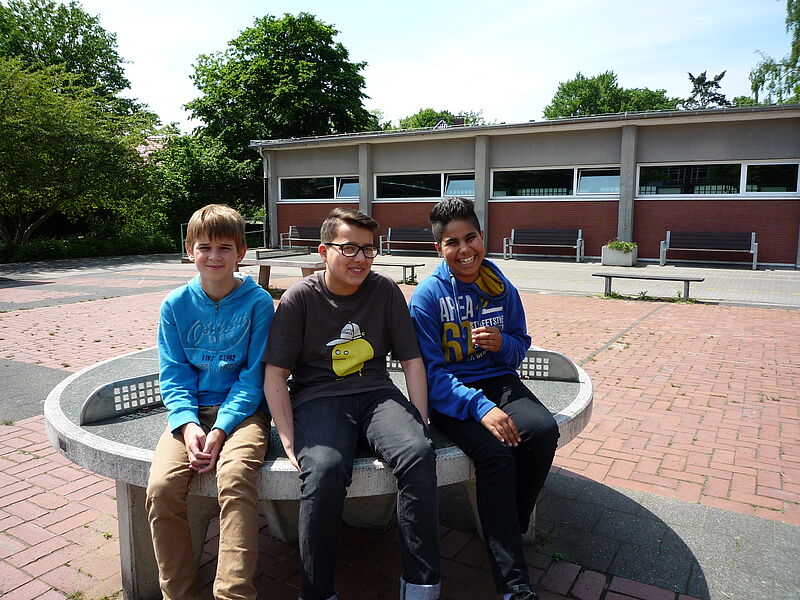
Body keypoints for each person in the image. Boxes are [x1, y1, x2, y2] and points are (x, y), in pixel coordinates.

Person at [263, 207, 441, 600]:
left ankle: (421, 587)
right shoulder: (299, 298)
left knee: (417, 453)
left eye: (368, 249)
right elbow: (275, 374)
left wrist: (420, 420)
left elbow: (412, 360)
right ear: (323, 251)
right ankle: (317, 592)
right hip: (318, 398)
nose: (360, 258)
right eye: (349, 248)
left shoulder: (385, 290)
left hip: (377, 394)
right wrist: (288, 438)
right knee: (324, 468)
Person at [408, 197, 559, 600]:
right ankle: (514, 586)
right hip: (452, 397)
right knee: (496, 455)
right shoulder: (427, 297)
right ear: (438, 248)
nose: (464, 249)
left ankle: (507, 526)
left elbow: (520, 345)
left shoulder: (500, 285)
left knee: (543, 431)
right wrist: (480, 407)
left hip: (499, 381)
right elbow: (430, 375)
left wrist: (501, 344)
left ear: (482, 236)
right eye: (452, 242)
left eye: (470, 237)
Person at [146, 204, 274, 600]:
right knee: (162, 487)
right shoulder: (175, 305)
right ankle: (177, 593)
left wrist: (221, 428)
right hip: (190, 415)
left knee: (235, 478)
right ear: (190, 251)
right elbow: (174, 375)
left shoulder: (259, 302)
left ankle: (233, 594)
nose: (214, 256)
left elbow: (254, 376)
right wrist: (188, 425)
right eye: (204, 247)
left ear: (241, 253)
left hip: (245, 414)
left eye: (224, 247)